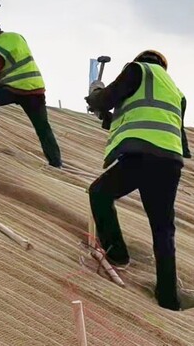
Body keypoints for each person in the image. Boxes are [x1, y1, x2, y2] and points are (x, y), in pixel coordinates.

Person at [85, 50, 193, 311]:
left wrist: (95, 94)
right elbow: (135, 120)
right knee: (162, 228)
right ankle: (168, 299)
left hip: (141, 155)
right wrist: (106, 116)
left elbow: (107, 98)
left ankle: (117, 253)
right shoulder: (176, 92)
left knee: (99, 193)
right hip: (169, 161)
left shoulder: (138, 70)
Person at [0, 14, 62, 168]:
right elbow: (5, 68)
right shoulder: (17, 37)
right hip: (35, 88)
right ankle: (56, 163)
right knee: (43, 127)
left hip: (14, 88)